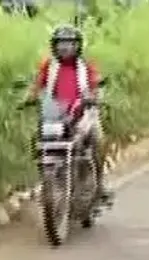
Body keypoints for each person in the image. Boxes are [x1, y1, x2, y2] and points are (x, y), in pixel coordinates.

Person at [26, 24, 110, 203]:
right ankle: (47, 179)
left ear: (78, 46)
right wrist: (29, 98)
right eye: (61, 44)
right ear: (54, 46)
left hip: (82, 114)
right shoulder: (48, 66)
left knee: (98, 138)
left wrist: (93, 96)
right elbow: (37, 86)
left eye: (69, 43)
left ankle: (100, 184)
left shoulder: (86, 67)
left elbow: (95, 87)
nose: (65, 48)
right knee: (37, 139)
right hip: (56, 115)